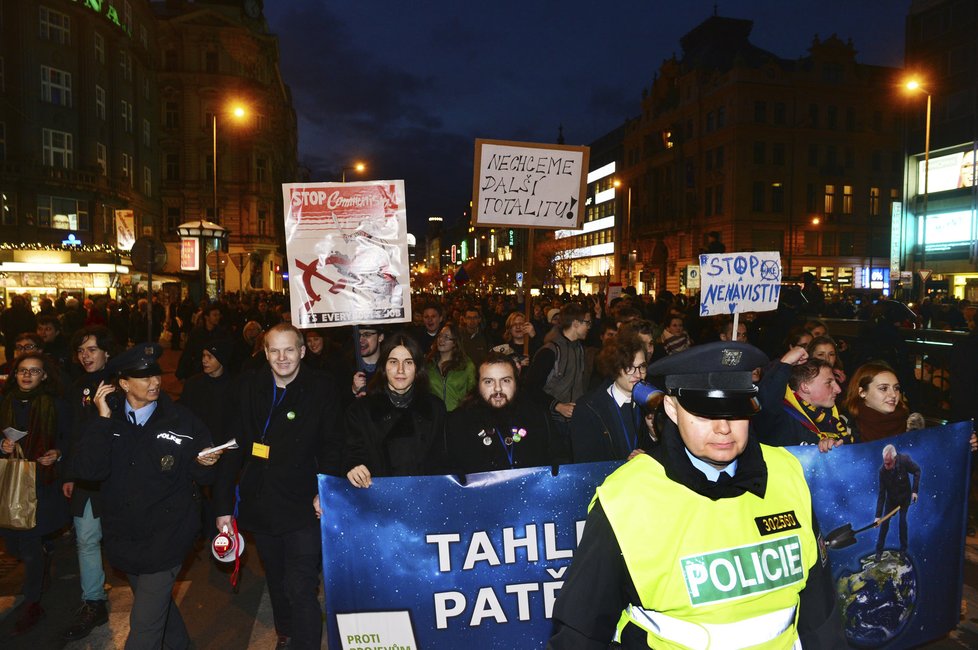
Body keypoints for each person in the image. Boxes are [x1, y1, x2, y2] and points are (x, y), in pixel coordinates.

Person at [549, 342, 845, 648]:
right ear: (671, 409)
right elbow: (581, 632)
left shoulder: (786, 473)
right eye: (704, 415)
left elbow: (820, 611)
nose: (723, 429)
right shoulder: (627, 496)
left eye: (736, 412)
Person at [73, 343, 222, 648]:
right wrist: (101, 420)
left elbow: (206, 476)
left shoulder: (181, 420)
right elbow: (89, 471)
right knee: (157, 610)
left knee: (143, 629)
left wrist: (205, 463)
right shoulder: (106, 421)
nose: (155, 382)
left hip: (168, 537)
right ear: (124, 383)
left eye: (155, 375)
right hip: (125, 537)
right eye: (144, 377)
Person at [216, 324, 343, 650]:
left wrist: (324, 490)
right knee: (275, 576)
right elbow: (233, 445)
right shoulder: (247, 386)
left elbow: (333, 445)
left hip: (304, 503)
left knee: (300, 583)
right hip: (262, 502)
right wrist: (222, 508)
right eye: (275, 350)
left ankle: (304, 643)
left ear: (302, 351)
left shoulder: (322, 387)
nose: (282, 357)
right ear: (265, 352)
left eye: (289, 350)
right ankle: (286, 632)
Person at [0, 352, 69, 635]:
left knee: (28, 547)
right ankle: (41, 558)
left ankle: (32, 603)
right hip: (9, 483)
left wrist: (58, 453)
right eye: (22, 370)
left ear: (44, 376)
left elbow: (68, 437)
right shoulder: (4, 403)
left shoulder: (55, 405)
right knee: (13, 545)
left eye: (34, 371)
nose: (27, 375)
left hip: (42, 483)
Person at [60, 326, 120, 640]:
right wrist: (69, 473)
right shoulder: (77, 386)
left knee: (123, 537)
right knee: (86, 539)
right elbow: (73, 434)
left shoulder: (122, 383)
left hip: (115, 476)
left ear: (106, 352)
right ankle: (93, 601)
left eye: (92, 350)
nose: (86, 356)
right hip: (85, 478)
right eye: (81, 351)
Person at [345, 331, 448, 488]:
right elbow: (351, 453)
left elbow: (443, 459)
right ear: (384, 367)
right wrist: (354, 467)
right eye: (393, 362)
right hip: (377, 502)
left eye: (408, 362)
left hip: (425, 499)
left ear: (417, 368)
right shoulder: (360, 411)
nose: (400, 370)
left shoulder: (435, 409)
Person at [446, 352, 553, 474]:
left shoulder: (537, 416)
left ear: (516, 382)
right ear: (478, 385)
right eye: (488, 382)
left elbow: (555, 459)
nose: (498, 388)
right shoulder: (459, 422)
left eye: (505, 380)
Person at [569, 332, 658, 463]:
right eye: (629, 367)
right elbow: (586, 464)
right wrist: (623, 465)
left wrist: (653, 434)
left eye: (642, 367)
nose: (638, 374)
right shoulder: (587, 408)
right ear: (615, 367)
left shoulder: (649, 400)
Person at [525, 302, 591, 463]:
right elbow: (530, 387)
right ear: (575, 323)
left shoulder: (579, 348)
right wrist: (557, 405)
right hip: (552, 422)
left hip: (574, 421)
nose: (590, 327)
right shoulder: (550, 351)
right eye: (587, 322)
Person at [754, 348, 853, 450]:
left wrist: (835, 446)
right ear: (805, 387)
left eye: (835, 382)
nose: (838, 389)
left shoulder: (832, 419)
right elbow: (766, 401)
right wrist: (785, 363)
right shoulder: (780, 418)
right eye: (829, 383)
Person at [843, 362, 913, 442]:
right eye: (883, 388)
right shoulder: (845, 426)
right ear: (862, 392)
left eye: (896, 388)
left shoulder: (910, 425)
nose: (893, 394)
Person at [875, 444, 921, 562]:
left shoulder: (904, 460)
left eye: (888, 463)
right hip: (891, 501)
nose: (886, 466)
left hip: (904, 498)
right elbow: (881, 494)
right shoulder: (882, 471)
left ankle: (903, 550)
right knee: (884, 525)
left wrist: (915, 491)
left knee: (902, 523)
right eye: (884, 462)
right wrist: (878, 516)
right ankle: (878, 551)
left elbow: (917, 470)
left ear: (894, 459)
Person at [426, 322, 476, 412]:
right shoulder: (429, 364)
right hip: (434, 417)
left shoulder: (466, 365)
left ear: (455, 342)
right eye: (440, 336)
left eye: (446, 337)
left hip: (458, 417)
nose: (441, 339)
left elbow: (473, 394)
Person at [176, 303, 226, 380]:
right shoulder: (196, 333)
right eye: (215, 315)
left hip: (216, 371)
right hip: (199, 370)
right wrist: (181, 372)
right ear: (206, 317)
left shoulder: (221, 333)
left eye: (219, 315)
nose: (218, 317)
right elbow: (188, 351)